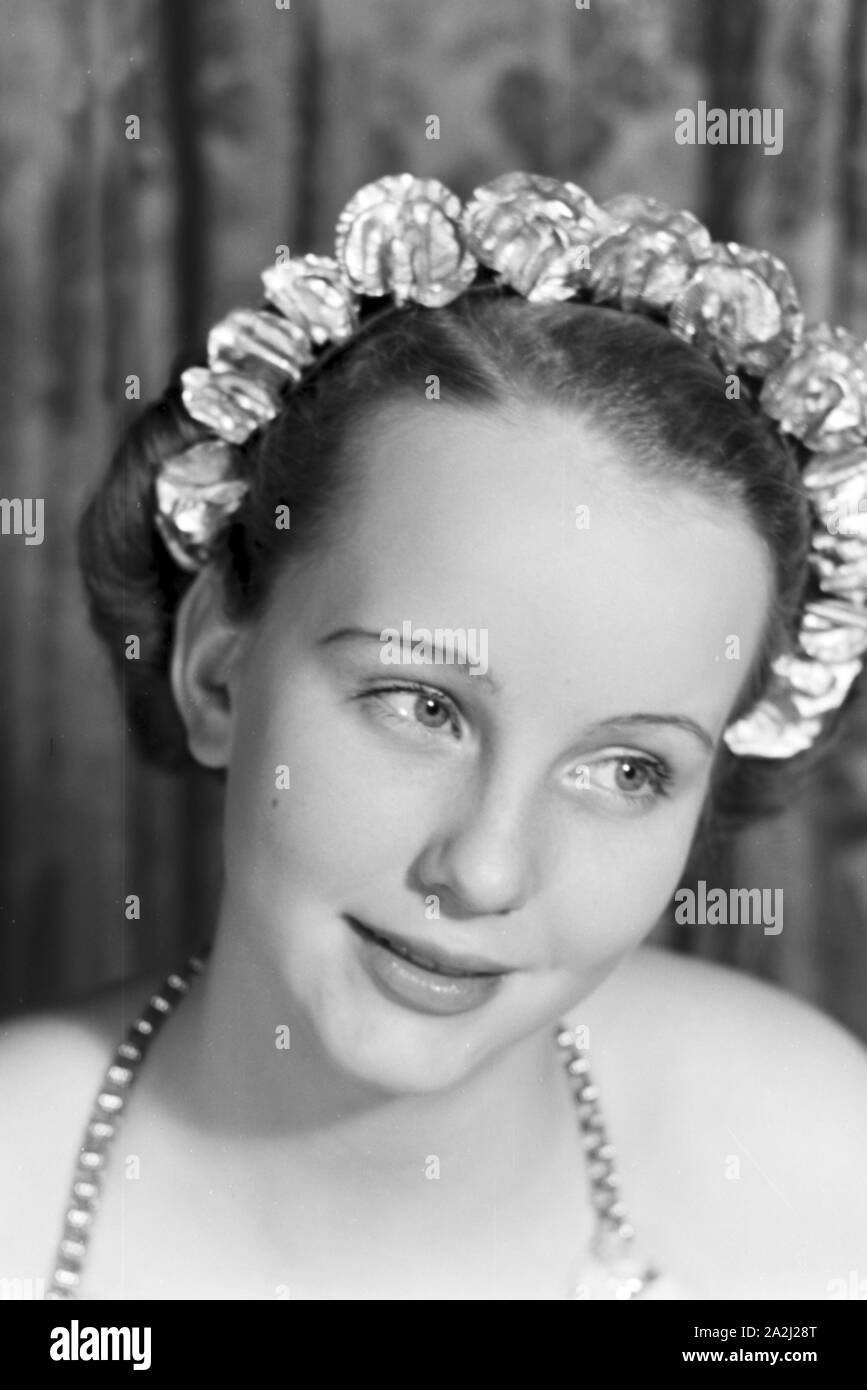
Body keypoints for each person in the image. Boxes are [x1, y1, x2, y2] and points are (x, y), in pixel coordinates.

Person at [2, 172, 867, 1301]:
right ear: (219, 671)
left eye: (626, 768)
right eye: (422, 706)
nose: (486, 868)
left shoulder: (814, 1163)